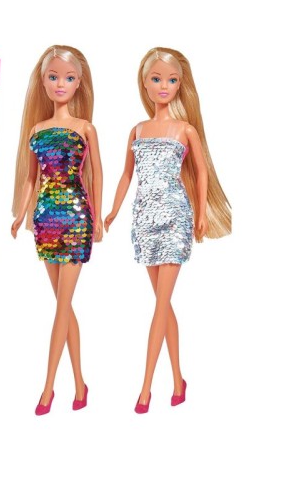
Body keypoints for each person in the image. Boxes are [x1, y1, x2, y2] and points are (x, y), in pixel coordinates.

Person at [105, 47, 231, 413]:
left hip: (176, 217)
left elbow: (202, 171)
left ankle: (145, 387)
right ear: (144, 84)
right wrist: (113, 210)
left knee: (160, 305)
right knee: (163, 304)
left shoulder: (185, 130)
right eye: (156, 79)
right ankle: (177, 380)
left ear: (180, 85)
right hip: (144, 220)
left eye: (171, 80)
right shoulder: (138, 130)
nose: (164, 86)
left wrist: (202, 212)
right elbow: (126, 174)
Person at [11, 45, 103, 415]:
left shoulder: (85, 128)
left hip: (76, 218)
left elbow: (97, 175)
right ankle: (79, 384)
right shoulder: (36, 130)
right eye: (53, 77)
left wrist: (97, 218)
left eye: (68, 78)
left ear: (79, 83)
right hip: (45, 220)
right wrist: (20, 213)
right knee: (64, 307)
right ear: (43, 82)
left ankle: (48, 388)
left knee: (62, 307)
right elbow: (30, 179)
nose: (60, 84)